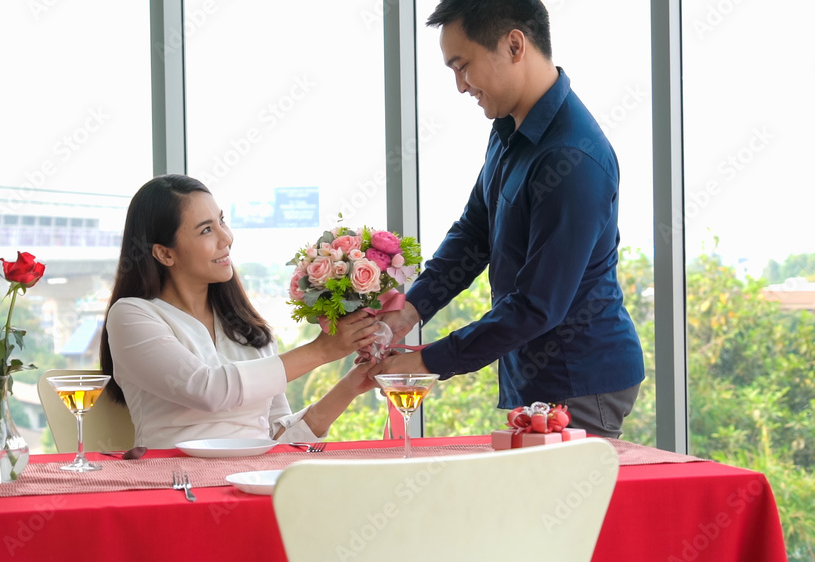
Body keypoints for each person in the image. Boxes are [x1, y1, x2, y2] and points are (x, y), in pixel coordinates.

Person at [378, 0, 644, 438]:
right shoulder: (508, 129)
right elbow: (474, 234)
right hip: (535, 369)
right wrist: (409, 311)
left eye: (463, 66)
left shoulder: (571, 157)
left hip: (578, 374)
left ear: (514, 45)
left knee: (563, 505)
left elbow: (536, 305)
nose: (461, 86)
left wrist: (424, 362)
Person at [100, 174, 382, 449]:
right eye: (206, 229)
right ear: (165, 254)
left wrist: (350, 387)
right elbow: (208, 389)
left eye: (221, 221)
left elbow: (276, 438)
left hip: (250, 478)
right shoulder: (132, 315)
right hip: (175, 482)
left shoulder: (249, 329)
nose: (226, 238)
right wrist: (322, 351)